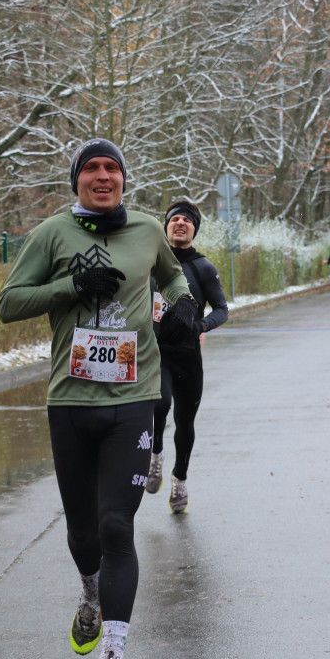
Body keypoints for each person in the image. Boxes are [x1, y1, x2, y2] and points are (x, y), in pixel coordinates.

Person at [0, 139, 193, 659]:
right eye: (91, 169)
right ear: (77, 179)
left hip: (134, 397)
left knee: (115, 526)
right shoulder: (51, 233)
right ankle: (90, 593)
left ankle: (114, 650)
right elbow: (9, 304)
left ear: (124, 178)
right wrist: (72, 285)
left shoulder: (147, 229)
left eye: (112, 168)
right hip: (71, 400)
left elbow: (172, 275)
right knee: (83, 532)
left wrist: (183, 304)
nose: (103, 176)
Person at [146, 200, 228, 513]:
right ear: (166, 227)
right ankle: (155, 454)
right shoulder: (150, 262)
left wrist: (200, 326)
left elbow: (221, 309)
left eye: (187, 220)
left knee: (185, 422)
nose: (180, 223)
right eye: (175, 219)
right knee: (160, 403)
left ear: (194, 229)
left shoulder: (202, 267)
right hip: (156, 352)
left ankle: (179, 478)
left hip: (188, 356)